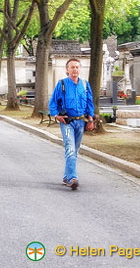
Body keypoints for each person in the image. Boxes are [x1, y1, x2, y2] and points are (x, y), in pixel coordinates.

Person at [48, 58, 94, 190]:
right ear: (67, 70)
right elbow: (53, 103)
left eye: (77, 67)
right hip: (67, 122)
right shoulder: (62, 84)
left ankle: (66, 176)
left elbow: (90, 103)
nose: (75, 70)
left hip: (81, 121)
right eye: (72, 67)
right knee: (70, 149)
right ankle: (72, 178)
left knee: (75, 150)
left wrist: (90, 120)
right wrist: (57, 115)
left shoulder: (85, 85)